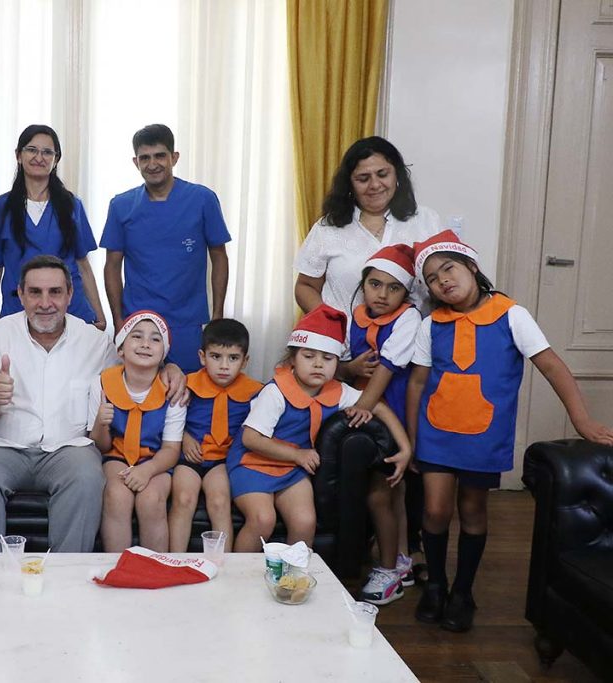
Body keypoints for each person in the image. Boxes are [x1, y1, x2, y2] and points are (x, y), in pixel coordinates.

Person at [407, 230, 613, 632]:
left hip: (484, 434)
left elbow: (551, 365)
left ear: (471, 266)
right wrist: (414, 437)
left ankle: (463, 592)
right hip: (435, 431)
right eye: (431, 278)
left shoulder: (511, 315)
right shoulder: (431, 324)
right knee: (434, 510)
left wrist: (582, 420)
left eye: (448, 268)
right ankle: (436, 584)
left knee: (472, 509)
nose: (442, 280)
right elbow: (417, 382)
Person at [0, 255, 186, 552]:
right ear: (21, 295)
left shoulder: (95, 341)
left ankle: (67, 575)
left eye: (55, 292)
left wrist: (169, 368)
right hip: (4, 446)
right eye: (35, 292)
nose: (45, 303)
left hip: (69, 450)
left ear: (70, 294)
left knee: (87, 476)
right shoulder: (0, 334)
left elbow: (137, 367)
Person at [228, 305, 411, 552]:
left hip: (292, 469)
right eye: (309, 356)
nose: (318, 365)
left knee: (305, 522)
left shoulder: (337, 391)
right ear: (293, 359)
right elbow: (251, 439)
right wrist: (297, 454)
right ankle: (238, 575)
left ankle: (293, 575)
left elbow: (378, 406)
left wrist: (405, 448)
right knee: (263, 519)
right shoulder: (276, 392)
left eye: (327, 358)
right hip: (253, 463)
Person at [101, 123, 231, 372]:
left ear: (174, 157)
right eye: (144, 158)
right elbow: (112, 266)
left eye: (160, 155)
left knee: (187, 389)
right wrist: (118, 320)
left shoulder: (202, 199)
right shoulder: (121, 205)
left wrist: (217, 315)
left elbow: (219, 257)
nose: (152, 164)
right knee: (140, 389)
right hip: (138, 321)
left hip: (187, 322)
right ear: (135, 162)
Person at [343, 244, 423, 605]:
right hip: (364, 406)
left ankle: (390, 570)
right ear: (363, 284)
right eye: (375, 284)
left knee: (383, 491)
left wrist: (363, 406)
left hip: (388, 410)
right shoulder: (354, 315)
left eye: (394, 288)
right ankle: (402, 558)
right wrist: (350, 368)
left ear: (406, 293)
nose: (382, 294)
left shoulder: (408, 318)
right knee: (393, 492)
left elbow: (388, 367)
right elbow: (341, 364)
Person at [294, 136, 441, 317]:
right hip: (344, 334)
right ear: (349, 184)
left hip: (414, 333)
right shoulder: (327, 228)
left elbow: (447, 278)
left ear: (397, 174)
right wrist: (330, 324)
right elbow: (306, 286)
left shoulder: (426, 220)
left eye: (382, 174)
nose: (375, 185)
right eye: (363, 178)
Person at [0, 124, 106, 331]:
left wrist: (99, 315)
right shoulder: (1, 208)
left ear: (56, 160)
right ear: (18, 155)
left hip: (72, 313)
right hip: (18, 314)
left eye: (47, 152)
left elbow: (83, 265)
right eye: (32, 150)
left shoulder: (72, 205)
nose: (39, 157)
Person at [90, 312, 186, 552]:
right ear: (120, 349)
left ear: (163, 353)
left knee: (151, 500)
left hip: (156, 460)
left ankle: (154, 565)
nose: (145, 344)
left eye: (155, 339)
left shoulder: (172, 391)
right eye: (136, 336)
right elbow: (101, 446)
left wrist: (147, 470)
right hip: (117, 455)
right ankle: (118, 564)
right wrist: (100, 423)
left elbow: (171, 449)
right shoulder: (102, 383)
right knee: (116, 496)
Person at [168, 319, 262, 553]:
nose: (224, 366)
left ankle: (223, 563)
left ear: (245, 361)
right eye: (216, 356)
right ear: (202, 357)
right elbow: (167, 420)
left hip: (222, 461)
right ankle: (175, 561)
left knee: (220, 502)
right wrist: (184, 437)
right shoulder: (188, 384)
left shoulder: (256, 392)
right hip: (189, 457)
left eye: (233, 358)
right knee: (183, 498)